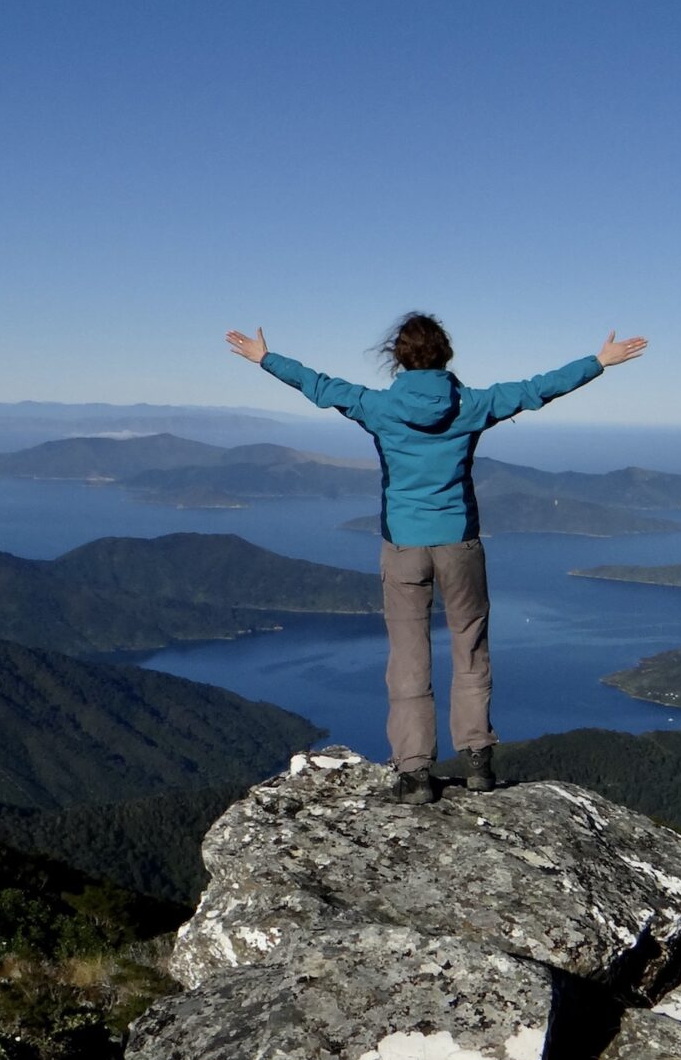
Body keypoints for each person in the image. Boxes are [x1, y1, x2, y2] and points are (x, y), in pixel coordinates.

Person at [225, 314, 647, 804]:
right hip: (460, 544)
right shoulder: (472, 405)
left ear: (397, 357)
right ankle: (477, 762)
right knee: (470, 646)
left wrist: (265, 359)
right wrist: (599, 362)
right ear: (446, 354)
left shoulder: (377, 406)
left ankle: (417, 773)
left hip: (403, 545)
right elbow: (537, 390)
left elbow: (320, 387)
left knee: (408, 655)